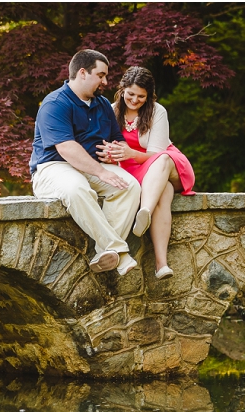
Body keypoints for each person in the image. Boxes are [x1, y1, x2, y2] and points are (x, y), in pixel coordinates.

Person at [30, 50, 142, 277]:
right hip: (54, 167)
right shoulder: (55, 103)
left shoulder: (102, 105)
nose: (105, 82)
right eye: (101, 75)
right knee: (77, 188)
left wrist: (113, 154)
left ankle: (105, 252)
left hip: (92, 166)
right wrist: (101, 172)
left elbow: (117, 140)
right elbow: (66, 149)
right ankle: (119, 251)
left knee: (130, 186)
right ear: (82, 73)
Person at [97, 66, 196, 280]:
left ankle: (145, 211)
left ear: (149, 96)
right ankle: (162, 265)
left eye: (141, 96)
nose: (135, 100)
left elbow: (155, 153)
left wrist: (129, 152)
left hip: (167, 165)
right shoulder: (110, 110)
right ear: (122, 89)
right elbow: (107, 146)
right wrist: (109, 155)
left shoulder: (157, 111)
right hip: (135, 172)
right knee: (164, 193)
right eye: (131, 94)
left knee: (162, 160)